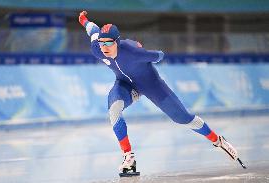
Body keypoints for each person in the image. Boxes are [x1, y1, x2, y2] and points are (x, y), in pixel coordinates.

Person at [78, 11, 245, 176]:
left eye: (109, 43)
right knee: (114, 109)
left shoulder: (133, 51)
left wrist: (145, 51)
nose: (104, 47)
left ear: (118, 42)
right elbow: (93, 30)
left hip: (151, 85)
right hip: (125, 85)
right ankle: (128, 157)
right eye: (102, 43)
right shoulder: (96, 48)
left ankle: (218, 140)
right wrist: (84, 19)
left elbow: (159, 55)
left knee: (183, 118)